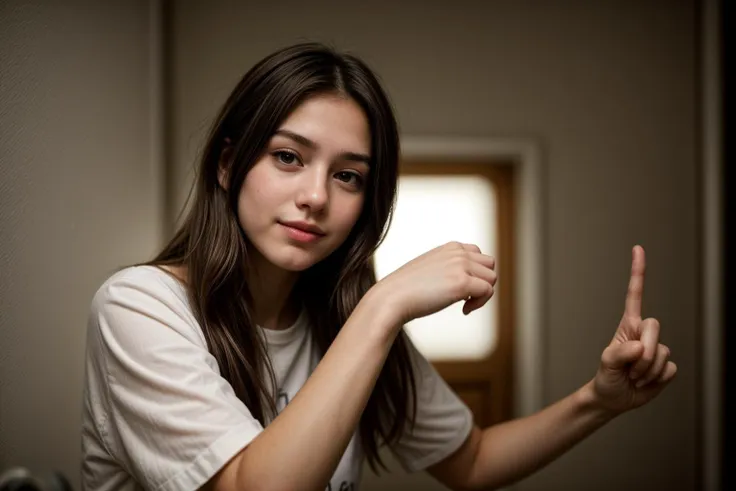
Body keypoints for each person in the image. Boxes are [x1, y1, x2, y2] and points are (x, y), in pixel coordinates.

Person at [80, 42, 677, 491]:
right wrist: (385, 304)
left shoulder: (347, 321)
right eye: (288, 157)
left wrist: (598, 400)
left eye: (348, 176)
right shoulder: (140, 306)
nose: (316, 196)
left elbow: (471, 461)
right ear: (229, 165)